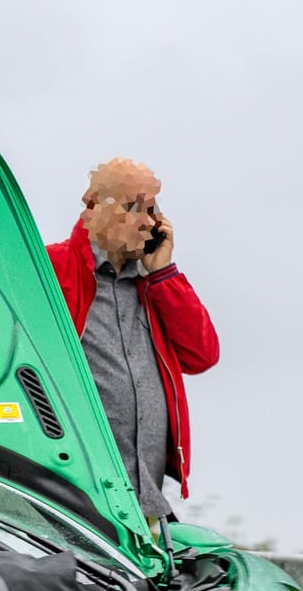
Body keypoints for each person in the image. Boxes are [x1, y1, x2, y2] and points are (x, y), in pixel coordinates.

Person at [47, 158, 219, 528]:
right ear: (94, 206)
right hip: (72, 495)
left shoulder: (155, 284)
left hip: (144, 501)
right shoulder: (49, 268)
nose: (145, 220)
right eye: (131, 207)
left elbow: (202, 356)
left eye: (152, 208)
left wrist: (164, 274)